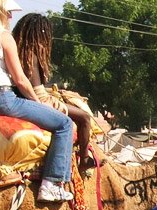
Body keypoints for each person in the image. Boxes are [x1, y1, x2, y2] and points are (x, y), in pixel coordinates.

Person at [0, 0, 74, 202]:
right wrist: (37, 103)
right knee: (64, 124)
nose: (11, 17)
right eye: (8, 12)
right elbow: (20, 80)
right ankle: (52, 184)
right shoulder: (3, 37)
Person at [11, 13, 95, 166]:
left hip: (19, 97)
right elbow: (35, 89)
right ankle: (84, 158)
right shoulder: (31, 54)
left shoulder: (15, 51)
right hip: (39, 99)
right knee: (84, 118)